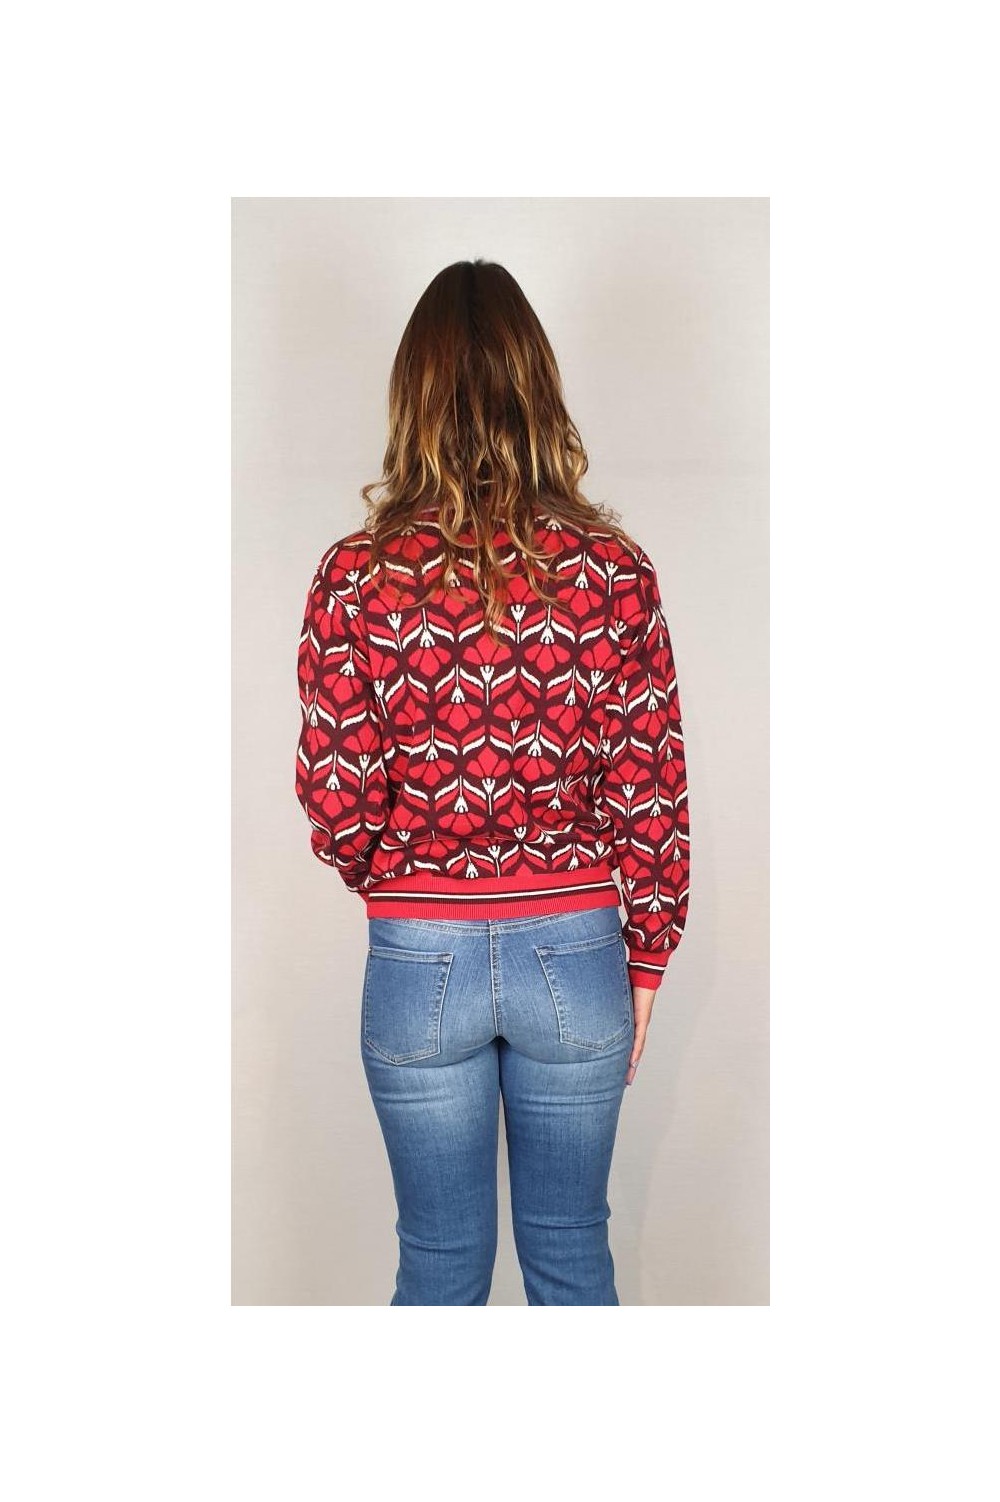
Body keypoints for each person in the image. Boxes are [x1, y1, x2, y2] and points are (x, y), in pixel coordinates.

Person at [294, 259, 689, 1305]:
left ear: (413, 395)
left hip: (417, 952)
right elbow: (650, 783)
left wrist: (404, 879)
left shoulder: (354, 578)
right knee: (571, 1256)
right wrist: (648, 950)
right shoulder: (613, 570)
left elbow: (337, 801)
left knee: (437, 1266)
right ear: (537, 386)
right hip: (576, 948)